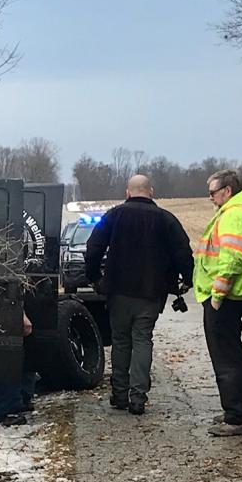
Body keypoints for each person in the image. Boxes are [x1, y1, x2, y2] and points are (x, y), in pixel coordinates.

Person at [85, 174, 193, 415]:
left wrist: (94, 278)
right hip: (151, 292)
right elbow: (183, 252)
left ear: (128, 192)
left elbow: (93, 247)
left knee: (121, 341)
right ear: (150, 191)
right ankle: (138, 397)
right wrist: (187, 280)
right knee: (143, 339)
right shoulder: (166, 219)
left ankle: (119, 394)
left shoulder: (113, 216)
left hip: (118, 291)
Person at [193, 168, 242, 436]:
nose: (210, 197)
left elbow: (232, 260)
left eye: (213, 192)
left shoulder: (234, 215)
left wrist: (216, 296)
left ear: (227, 191)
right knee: (232, 354)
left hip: (224, 298)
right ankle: (241, 409)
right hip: (233, 296)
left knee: (225, 358)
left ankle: (236, 417)